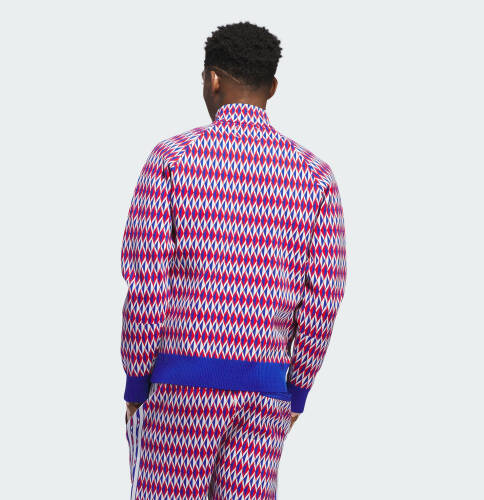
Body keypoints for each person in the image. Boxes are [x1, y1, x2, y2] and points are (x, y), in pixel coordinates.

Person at [120, 20, 347, 500]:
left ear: (213, 80)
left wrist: (137, 382)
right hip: (265, 393)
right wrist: (297, 389)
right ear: (272, 87)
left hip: (180, 391)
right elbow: (325, 295)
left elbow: (146, 281)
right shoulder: (315, 176)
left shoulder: (172, 160)